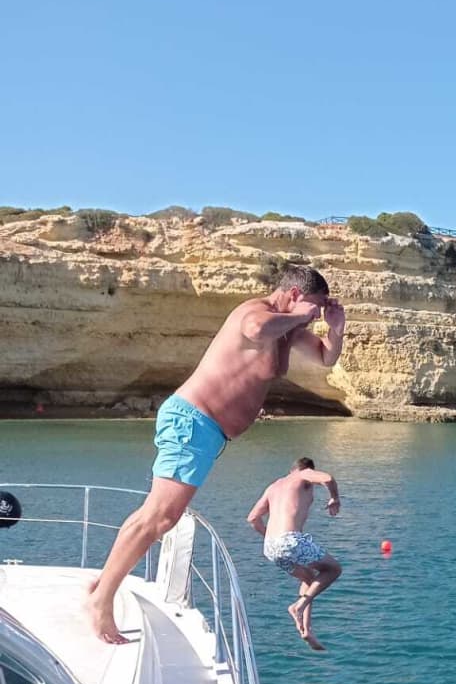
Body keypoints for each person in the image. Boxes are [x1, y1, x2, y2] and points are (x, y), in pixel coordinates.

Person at [87, 266, 345, 643]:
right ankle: (101, 602)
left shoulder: (288, 329)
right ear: (293, 294)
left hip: (205, 430)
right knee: (161, 517)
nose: (317, 314)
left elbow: (326, 357)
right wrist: (299, 316)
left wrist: (336, 328)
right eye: (315, 305)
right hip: (193, 421)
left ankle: (102, 585)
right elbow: (255, 329)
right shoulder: (254, 311)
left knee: (154, 514)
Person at [247, 457, 343, 651]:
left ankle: (306, 630)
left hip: (270, 547)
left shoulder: (274, 486)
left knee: (309, 579)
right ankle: (299, 606)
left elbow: (252, 519)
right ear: (306, 469)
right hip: (290, 540)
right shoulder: (304, 474)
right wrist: (334, 498)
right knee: (334, 569)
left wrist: (273, 538)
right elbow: (328, 478)